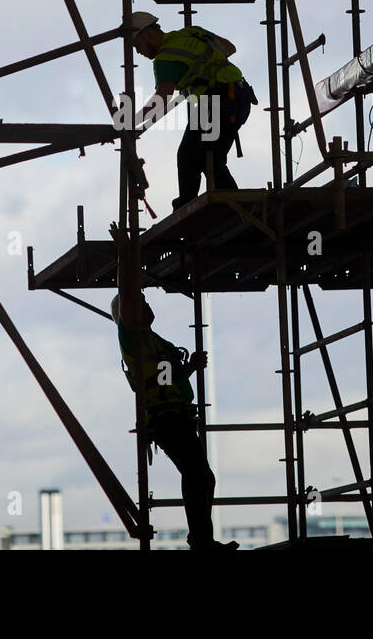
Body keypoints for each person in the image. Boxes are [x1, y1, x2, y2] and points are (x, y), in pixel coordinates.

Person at [108, 224, 238, 551]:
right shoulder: (133, 337)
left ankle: (202, 540)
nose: (145, 301)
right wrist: (125, 252)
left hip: (176, 415)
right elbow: (126, 291)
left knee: (200, 476)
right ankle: (201, 542)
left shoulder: (154, 342)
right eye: (140, 300)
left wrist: (189, 368)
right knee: (198, 476)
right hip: (165, 418)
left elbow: (166, 380)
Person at [128, 11, 257, 209]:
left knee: (189, 156)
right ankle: (234, 207)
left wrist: (130, 121)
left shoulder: (165, 58)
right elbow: (229, 48)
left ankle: (187, 207)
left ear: (147, 34)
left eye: (137, 45)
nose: (138, 52)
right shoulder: (192, 33)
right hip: (240, 97)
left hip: (215, 103)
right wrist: (200, 70)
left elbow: (161, 98)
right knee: (211, 160)